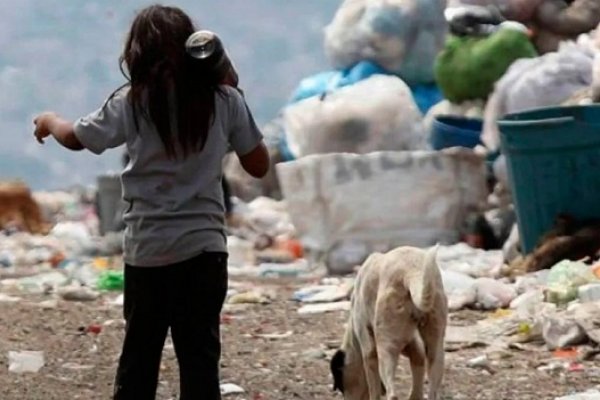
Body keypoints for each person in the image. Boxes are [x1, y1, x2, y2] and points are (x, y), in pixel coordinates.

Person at [32, 5, 269, 400]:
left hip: (149, 253)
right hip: (205, 251)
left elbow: (76, 138)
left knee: (139, 360)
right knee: (200, 362)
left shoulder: (131, 101)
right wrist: (231, 85)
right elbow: (258, 165)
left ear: (136, 53)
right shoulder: (224, 100)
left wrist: (49, 119)